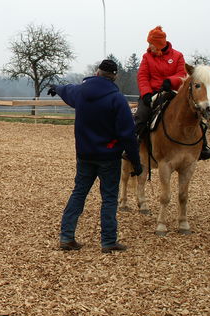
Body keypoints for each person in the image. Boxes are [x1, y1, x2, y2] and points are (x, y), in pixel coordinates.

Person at [48, 59, 142, 253]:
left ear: (97, 72)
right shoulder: (117, 99)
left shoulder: (81, 92)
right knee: (108, 198)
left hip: (84, 154)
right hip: (108, 156)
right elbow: (127, 134)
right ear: (114, 76)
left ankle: (66, 237)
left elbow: (67, 90)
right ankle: (108, 241)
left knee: (79, 193)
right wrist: (136, 161)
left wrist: (55, 87)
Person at [136, 26, 210, 160]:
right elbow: (142, 76)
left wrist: (170, 81)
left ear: (159, 44)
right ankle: (134, 145)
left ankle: (203, 146)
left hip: (172, 92)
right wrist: (146, 93)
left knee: (194, 113)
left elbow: (181, 74)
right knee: (141, 116)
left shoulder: (177, 56)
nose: (149, 46)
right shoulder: (147, 57)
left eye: (151, 43)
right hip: (152, 93)